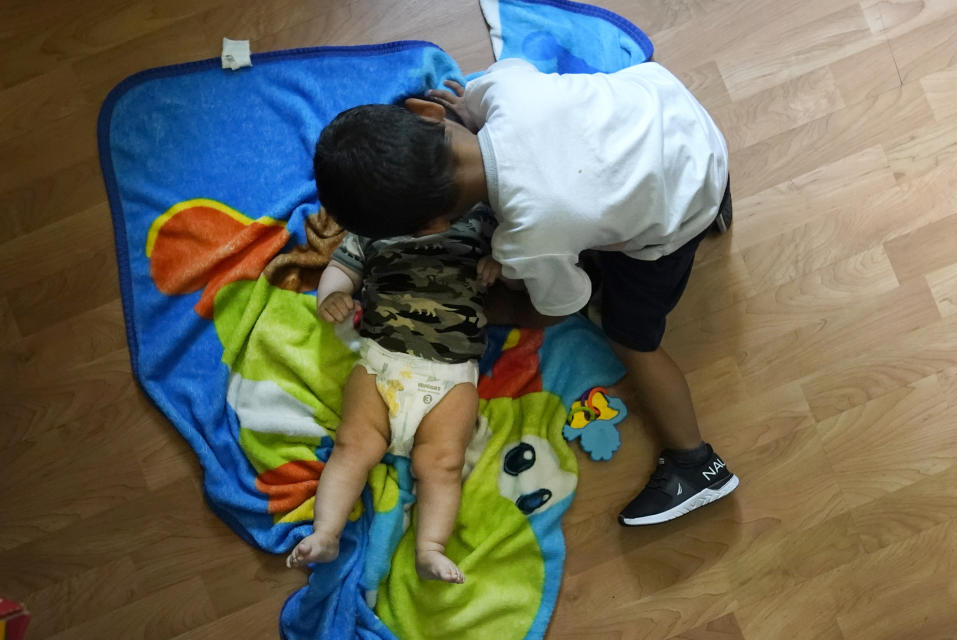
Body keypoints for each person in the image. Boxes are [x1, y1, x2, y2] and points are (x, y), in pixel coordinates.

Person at [311, 57, 739, 528]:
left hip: (684, 205)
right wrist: (472, 114)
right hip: (672, 110)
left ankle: (697, 465)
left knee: (628, 333)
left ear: (430, 228)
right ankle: (709, 187)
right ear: (427, 112)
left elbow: (564, 304)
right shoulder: (502, 87)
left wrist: (496, 306)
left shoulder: (525, 240)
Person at [285, 201, 498, 583]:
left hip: (451, 375)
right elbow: (341, 268)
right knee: (353, 447)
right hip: (383, 360)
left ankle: (430, 548)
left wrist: (503, 265)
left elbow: (519, 255)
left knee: (443, 464)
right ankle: (326, 532)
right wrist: (331, 295)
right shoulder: (376, 220)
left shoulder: (480, 219)